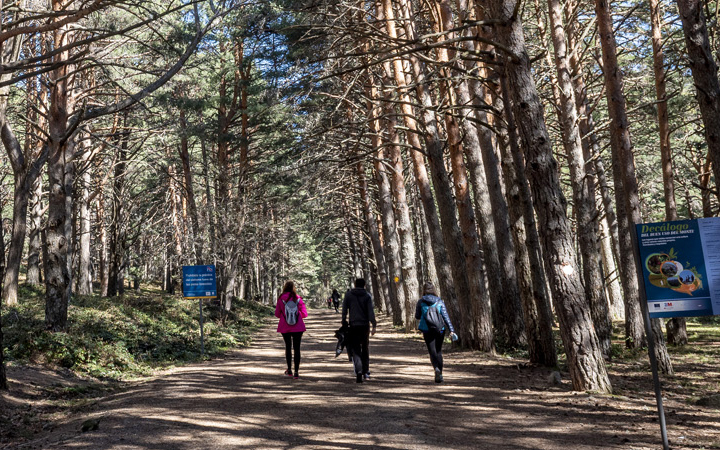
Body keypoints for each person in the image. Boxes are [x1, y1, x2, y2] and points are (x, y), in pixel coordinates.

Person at [415, 282, 458, 383]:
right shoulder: (439, 301)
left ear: (424, 290)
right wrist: (451, 330)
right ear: (434, 289)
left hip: (427, 329)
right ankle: (441, 374)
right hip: (440, 329)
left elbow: (417, 316)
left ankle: (436, 369)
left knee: (432, 351)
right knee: (439, 351)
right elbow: (445, 316)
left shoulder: (421, 301)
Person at [342, 278, 376, 383]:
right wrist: (374, 324)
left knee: (356, 349)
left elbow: (344, 309)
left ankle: (359, 371)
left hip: (353, 325)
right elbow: (370, 311)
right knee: (365, 348)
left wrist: (343, 320)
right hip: (364, 326)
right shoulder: (367, 296)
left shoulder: (349, 295)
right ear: (364, 285)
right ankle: (366, 372)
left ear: (355, 284)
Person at [275, 281, 308, 379]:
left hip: (285, 327)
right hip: (298, 327)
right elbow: (305, 314)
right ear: (294, 288)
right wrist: (296, 316)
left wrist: (285, 316)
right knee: (297, 349)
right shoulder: (298, 298)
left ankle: (289, 370)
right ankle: (296, 372)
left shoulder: (281, 298)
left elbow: (277, 314)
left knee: (288, 347)